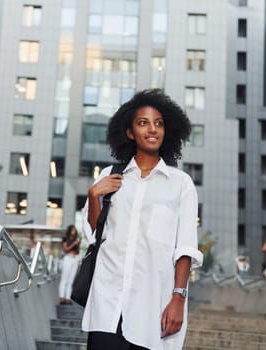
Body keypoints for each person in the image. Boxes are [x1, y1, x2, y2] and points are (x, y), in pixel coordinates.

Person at [81, 89, 203, 350]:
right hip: (108, 303)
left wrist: (178, 298)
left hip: (153, 307)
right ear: (129, 132)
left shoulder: (181, 184)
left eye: (159, 123)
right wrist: (94, 196)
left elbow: (185, 247)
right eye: (143, 122)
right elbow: (95, 235)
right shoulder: (109, 177)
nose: (152, 129)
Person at [58, 224, 81, 305]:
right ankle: (62, 297)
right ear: (69, 231)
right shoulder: (65, 239)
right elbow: (66, 250)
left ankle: (67, 298)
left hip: (75, 259)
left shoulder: (76, 239)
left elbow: (78, 252)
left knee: (71, 280)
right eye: (72, 230)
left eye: (75, 230)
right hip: (67, 258)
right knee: (64, 278)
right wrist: (73, 244)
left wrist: (78, 245)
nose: (73, 232)